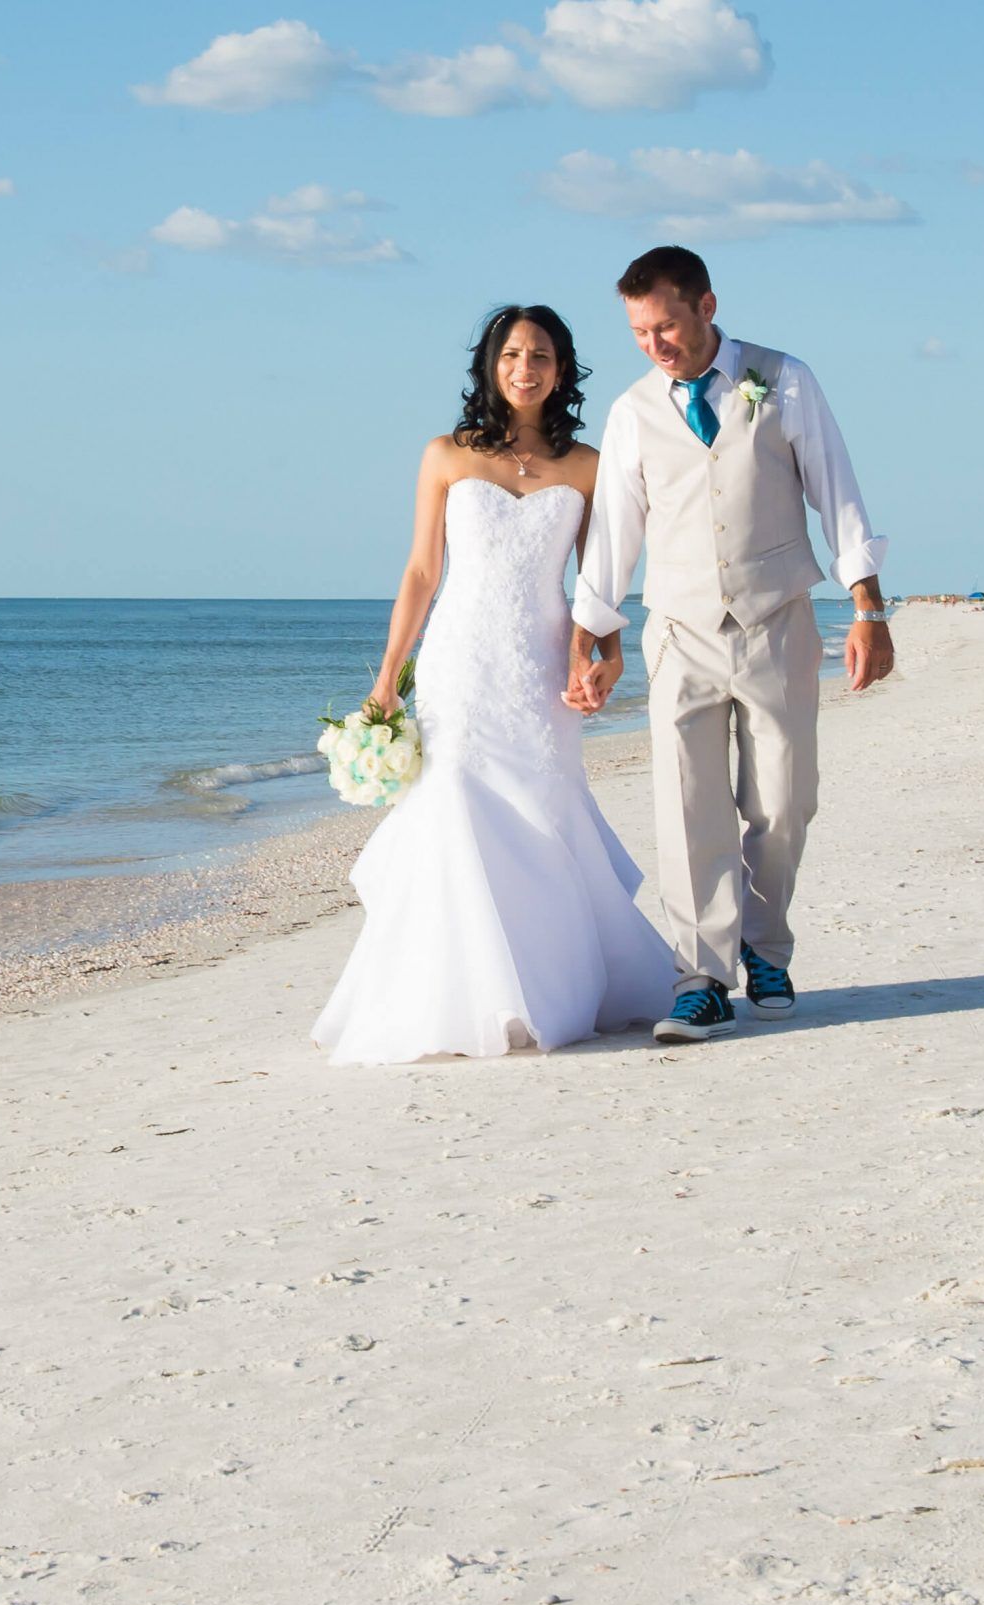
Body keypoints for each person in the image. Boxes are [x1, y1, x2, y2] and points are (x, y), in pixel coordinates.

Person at [312, 304, 672, 1065]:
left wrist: (605, 656)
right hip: (459, 667)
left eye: (540, 354)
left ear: (561, 368)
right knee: (455, 812)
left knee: (544, 812)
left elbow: (597, 582)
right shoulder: (447, 455)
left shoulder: (586, 466)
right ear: (490, 365)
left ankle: (553, 990)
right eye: (511, 354)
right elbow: (421, 572)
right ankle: (459, 999)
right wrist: (386, 682)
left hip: (541, 670)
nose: (525, 367)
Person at [566, 246, 893, 1045]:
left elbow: (836, 489)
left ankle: (764, 942)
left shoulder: (786, 380)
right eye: (640, 332)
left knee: (784, 798)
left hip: (777, 618)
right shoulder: (633, 410)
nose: (656, 344)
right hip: (678, 630)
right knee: (688, 807)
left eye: (667, 324)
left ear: (707, 306)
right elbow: (611, 539)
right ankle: (701, 977)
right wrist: (591, 636)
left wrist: (868, 607)